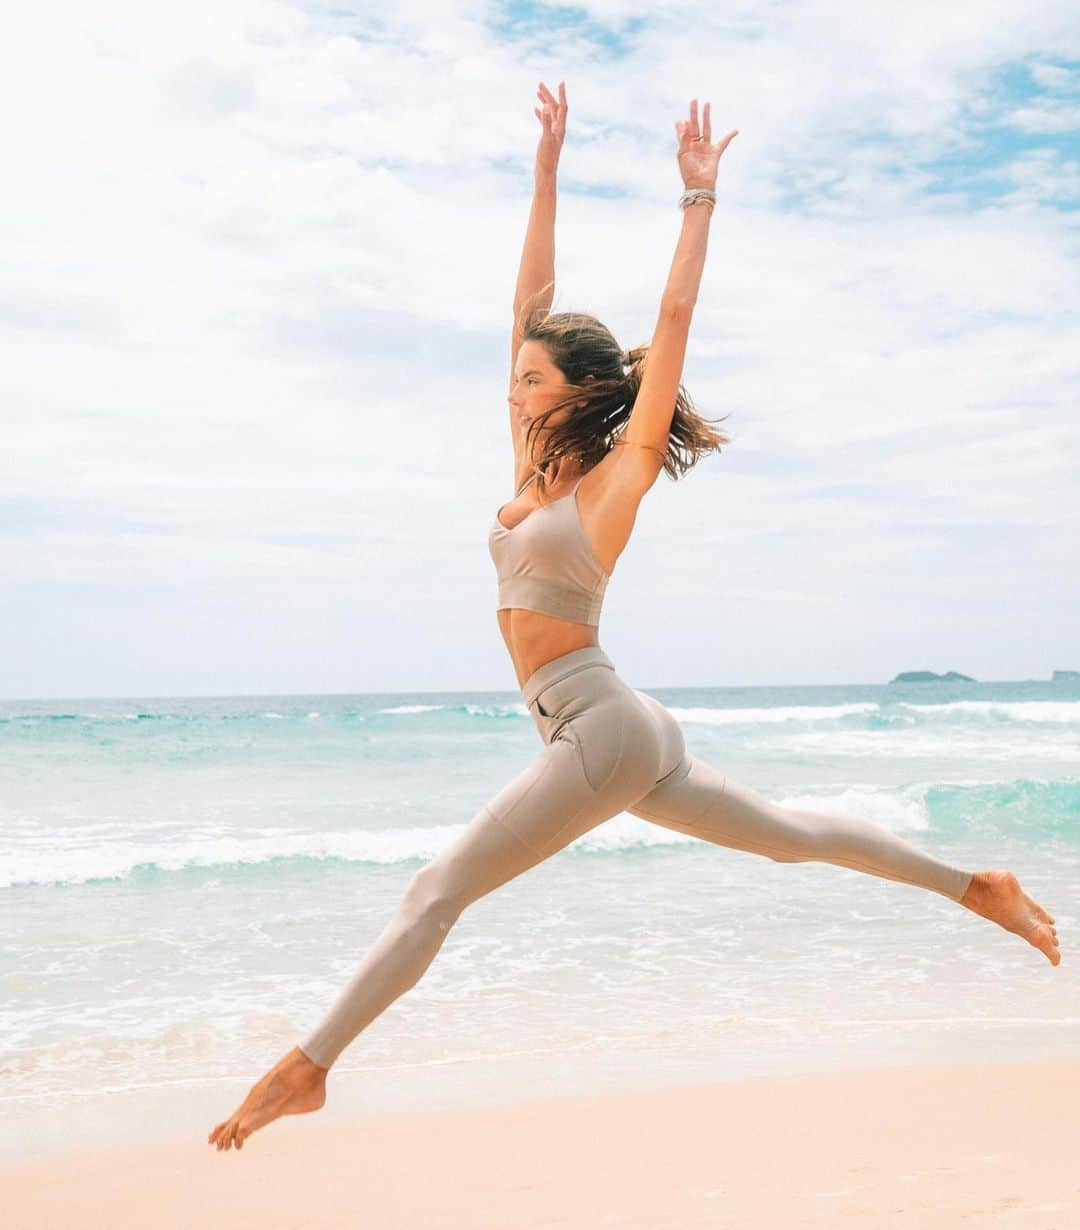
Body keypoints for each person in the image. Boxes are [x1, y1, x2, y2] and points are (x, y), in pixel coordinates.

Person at [210, 82, 1060, 1153]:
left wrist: (698, 197)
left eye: (531, 379)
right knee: (790, 840)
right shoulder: (531, 465)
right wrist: (546, 169)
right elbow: (528, 299)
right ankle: (975, 885)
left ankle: (308, 1066)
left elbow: (670, 324)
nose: (514, 390)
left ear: (577, 390)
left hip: (598, 727)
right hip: (618, 725)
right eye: (515, 378)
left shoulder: (614, 481)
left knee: (435, 892)